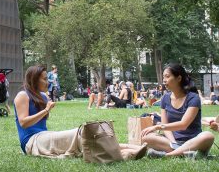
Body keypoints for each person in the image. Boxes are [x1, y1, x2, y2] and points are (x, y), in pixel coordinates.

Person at [13, 65, 148, 160]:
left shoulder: (42, 96)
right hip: (32, 142)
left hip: (45, 136)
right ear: (33, 79)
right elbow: (24, 122)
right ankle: (131, 150)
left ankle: (132, 149)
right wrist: (46, 110)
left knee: (87, 137)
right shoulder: (22, 95)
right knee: (82, 132)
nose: (47, 81)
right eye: (43, 78)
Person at [141, 64, 215, 158]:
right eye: (163, 77)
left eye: (167, 76)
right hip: (172, 141)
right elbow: (165, 125)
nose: (164, 80)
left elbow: (183, 124)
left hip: (193, 140)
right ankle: (184, 153)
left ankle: (167, 155)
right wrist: (173, 142)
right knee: (146, 138)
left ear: (179, 78)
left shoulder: (193, 98)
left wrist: (157, 127)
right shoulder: (165, 98)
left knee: (208, 136)